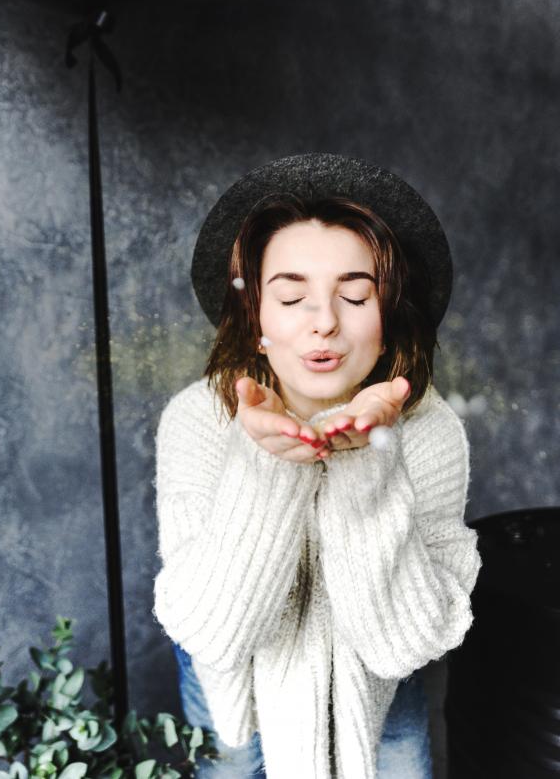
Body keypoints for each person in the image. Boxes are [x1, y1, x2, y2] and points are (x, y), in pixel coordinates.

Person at [152, 153, 481, 779]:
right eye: (293, 295)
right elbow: (212, 630)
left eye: (355, 294)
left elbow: (404, 641)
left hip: (380, 693)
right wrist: (265, 468)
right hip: (234, 691)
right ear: (254, 323)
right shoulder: (197, 420)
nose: (324, 321)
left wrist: (366, 471)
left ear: (387, 325)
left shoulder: (429, 430)